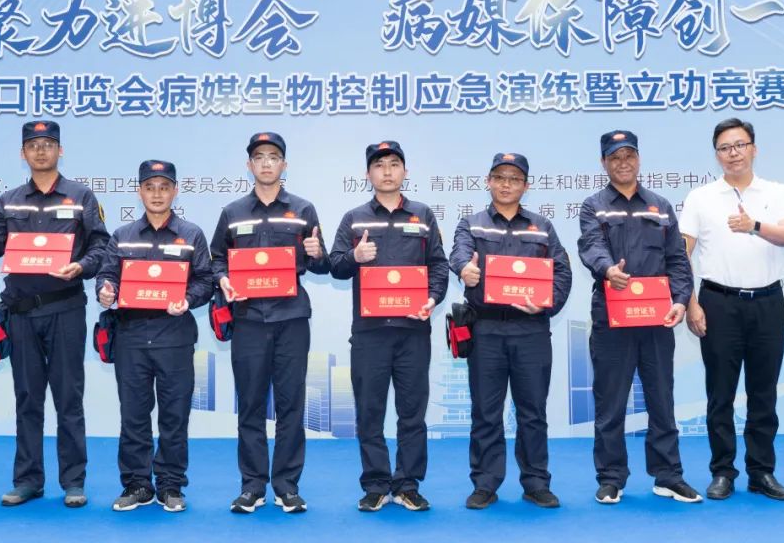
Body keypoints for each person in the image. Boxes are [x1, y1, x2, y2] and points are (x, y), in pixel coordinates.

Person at [0, 120, 109, 508]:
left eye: (48, 144)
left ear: (60, 150)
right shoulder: (9, 201)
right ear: (23, 153)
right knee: (28, 398)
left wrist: (81, 267)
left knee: (69, 398)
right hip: (21, 314)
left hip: (66, 309)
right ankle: (28, 479)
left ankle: (74, 481)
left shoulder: (80, 196)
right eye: (33, 145)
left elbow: (101, 247)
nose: (41, 150)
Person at [577, 130, 701, 505]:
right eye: (615, 157)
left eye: (629, 155)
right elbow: (591, 245)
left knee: (662, 399)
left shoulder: (660, 206)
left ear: (639, 159)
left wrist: (681, 300)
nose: (623, 163)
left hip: (656, 318)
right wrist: (607, 269)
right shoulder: (594, 206)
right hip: (612, 318)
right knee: (610, 402)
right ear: (604, 163)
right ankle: (611, 477)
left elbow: (677, 260)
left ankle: (668, 476)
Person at [679, 118, 784, 502]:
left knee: (763, 392)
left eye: (740, 145)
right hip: (718, 303)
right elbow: (681, 256)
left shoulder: (777, 192)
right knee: (720, 393)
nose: (733, 153)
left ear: (754, 148)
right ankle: (722, 472)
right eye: (725, 148)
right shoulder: (701, 197)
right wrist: (691, 303)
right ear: (716, 155)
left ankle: (761, 472)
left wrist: (755, 225)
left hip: (767, 302)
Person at [209, 132, 329, 514]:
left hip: (291, 318)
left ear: (284, 164)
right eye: (259, 156)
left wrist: (317, 253)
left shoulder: (303, 210)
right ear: (249, 165)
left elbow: (322, 264)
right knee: (250, 404)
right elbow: (216, 258)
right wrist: (222, 279)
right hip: (248, 320)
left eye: (273, 156)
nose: (266, 163)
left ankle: (287, 486)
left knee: (291, 404)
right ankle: (252, 486)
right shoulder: (232, 212)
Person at [329, 141, 447, 512]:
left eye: (394, 164)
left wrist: (433, 298)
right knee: (370, 412)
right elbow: (335, 265)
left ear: (405, 172)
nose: (387, 171)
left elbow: (439, 265)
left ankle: (408, 485)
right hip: (370, 333)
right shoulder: (354, 218)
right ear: (368, 174)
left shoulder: (422, 215)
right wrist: (355, 256)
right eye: (379, 165)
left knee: (412, 413)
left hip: (413, 332)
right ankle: (376, 485)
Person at [449, 153, 572, 510]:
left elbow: (562, 272)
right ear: (488, 182)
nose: (506, 184)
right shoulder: (471, 224)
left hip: (530, 330)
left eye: (515, 179)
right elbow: (458, 254)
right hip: (485, 330)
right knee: (486, 412)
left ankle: (536, 482)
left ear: (526, 186)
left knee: (532, 411)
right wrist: (464, 269)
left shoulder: (542, 227)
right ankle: (485, 483)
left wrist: (546, 303)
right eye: (500, 177)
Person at [97, 160, 214, 513]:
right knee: (133, 415)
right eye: (150, 187)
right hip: (131, 337)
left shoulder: (191, 234)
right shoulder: (123, 235)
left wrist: (188, 300)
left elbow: (205, 280)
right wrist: (105, 290)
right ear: (139, 192)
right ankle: (137, 484)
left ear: (175, 191)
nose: (157, 194)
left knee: (174, 416)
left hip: (175, 337)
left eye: (164, 187)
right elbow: (107, 275)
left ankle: (171, 484)